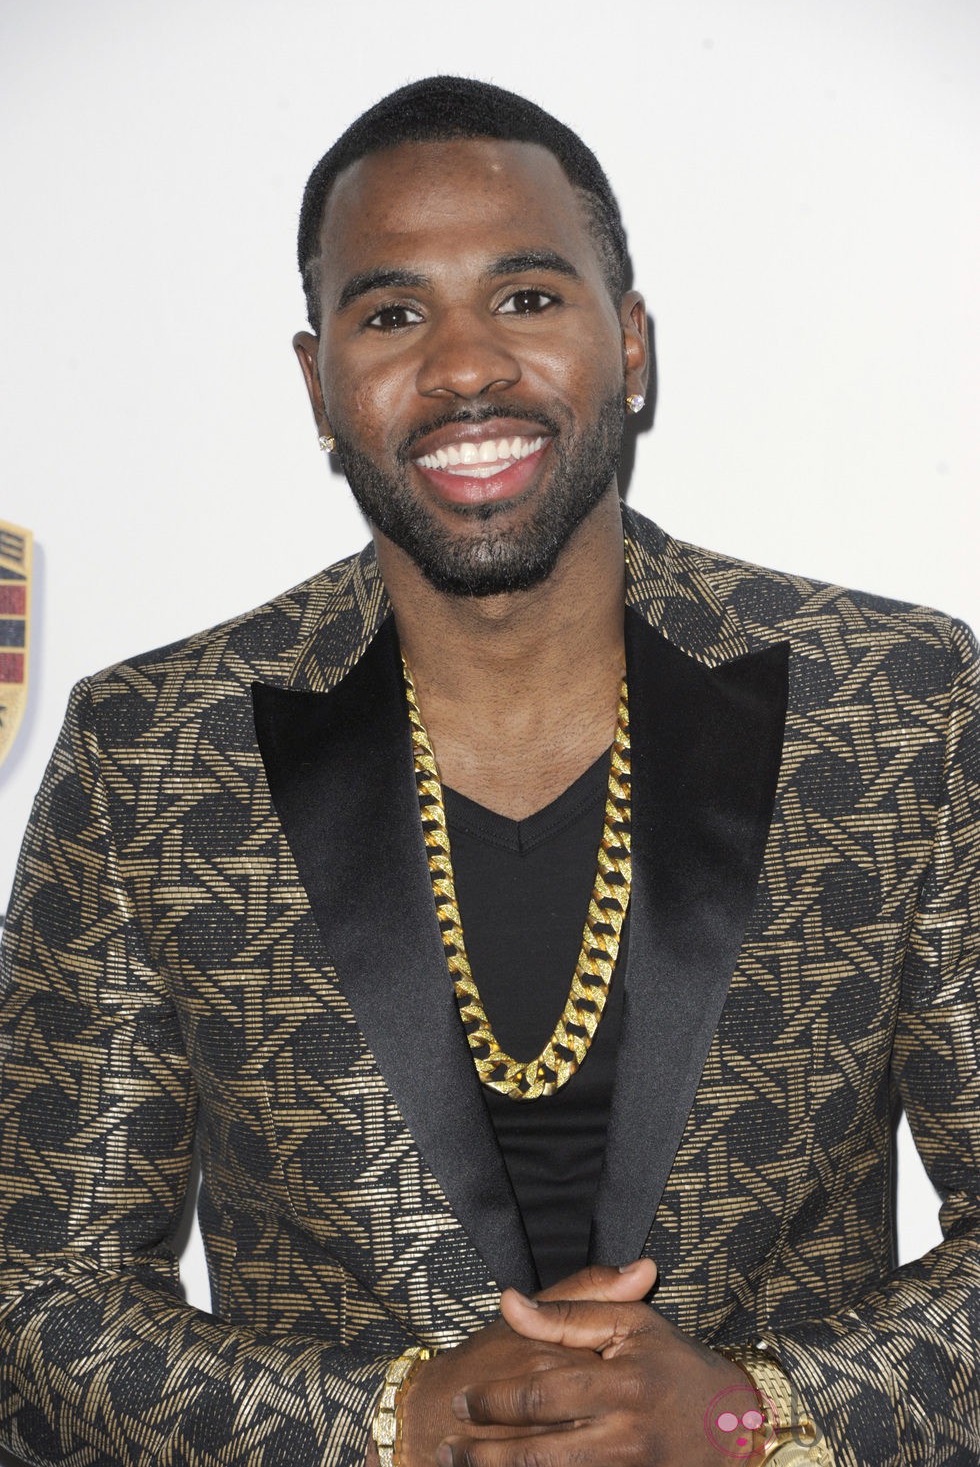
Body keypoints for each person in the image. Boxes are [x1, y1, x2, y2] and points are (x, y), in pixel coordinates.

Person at [0, 75, 977, 1467]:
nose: (465, 367)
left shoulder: (894, 704)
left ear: (630, 345)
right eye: (392, 314)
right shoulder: (151, 750)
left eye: (527, 297)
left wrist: (764, 1413)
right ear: (317, 383)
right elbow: (42, 1286)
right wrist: (387, 1420)